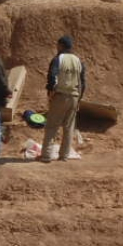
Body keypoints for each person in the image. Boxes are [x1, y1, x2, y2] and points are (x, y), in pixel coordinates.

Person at [37, 35, 85, 163]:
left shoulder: (58, 59)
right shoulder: (78, 60)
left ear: (61, 45)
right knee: (69, 128)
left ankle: (46, 156)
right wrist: (79, 98)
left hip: (60, 96)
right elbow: (82, 82)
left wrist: (51, 93)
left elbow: (52, 77)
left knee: (52, 126)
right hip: (74, 97)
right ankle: (64, 156)